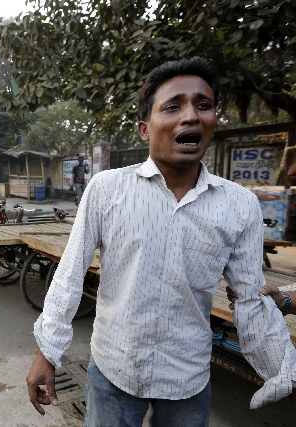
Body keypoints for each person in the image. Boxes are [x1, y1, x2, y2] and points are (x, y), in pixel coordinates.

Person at [26, 57, 296, 426]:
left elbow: (250, 300)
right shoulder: (106, 190)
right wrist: (47, 352)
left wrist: (279, 367)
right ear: (144, 128)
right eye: (173, 106)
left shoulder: (240, 206)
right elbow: (69, 276)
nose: (191, 116)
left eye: (203, 105)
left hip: (187, 380)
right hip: (113, 370)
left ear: (213, 121)